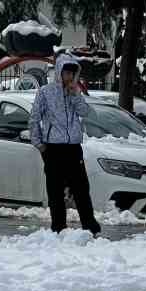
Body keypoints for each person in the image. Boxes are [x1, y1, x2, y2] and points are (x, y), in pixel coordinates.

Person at [29, 53, 100, 236]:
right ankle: (58, 227)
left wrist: (76, 95)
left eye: (72, 73)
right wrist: (39, 143)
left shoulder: (75, 92)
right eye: (66, 73)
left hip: (73, 148)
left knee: (81, 188)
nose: (69, 77)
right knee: (55, 190)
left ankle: (89, 225)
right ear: (59, 72)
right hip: (53, 148)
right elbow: (34, 118)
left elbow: (87, 113)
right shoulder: (45, 92)